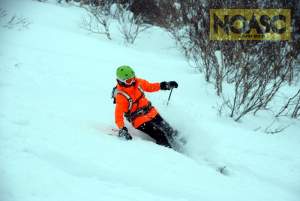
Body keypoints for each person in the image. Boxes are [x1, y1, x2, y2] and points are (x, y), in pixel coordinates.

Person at [113, 65, 179, 148]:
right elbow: (118, 116)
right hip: (139, 120)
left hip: (151, 111)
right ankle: (172, 154)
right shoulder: (121, 96)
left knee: (169, 130)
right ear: (121, 81)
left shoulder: (138, 82)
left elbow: (150, 87)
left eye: (133, 78)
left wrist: (164, 85)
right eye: (129, 80)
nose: (133, 81)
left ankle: (183, 146)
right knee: (160, 135)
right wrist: (122, 129)